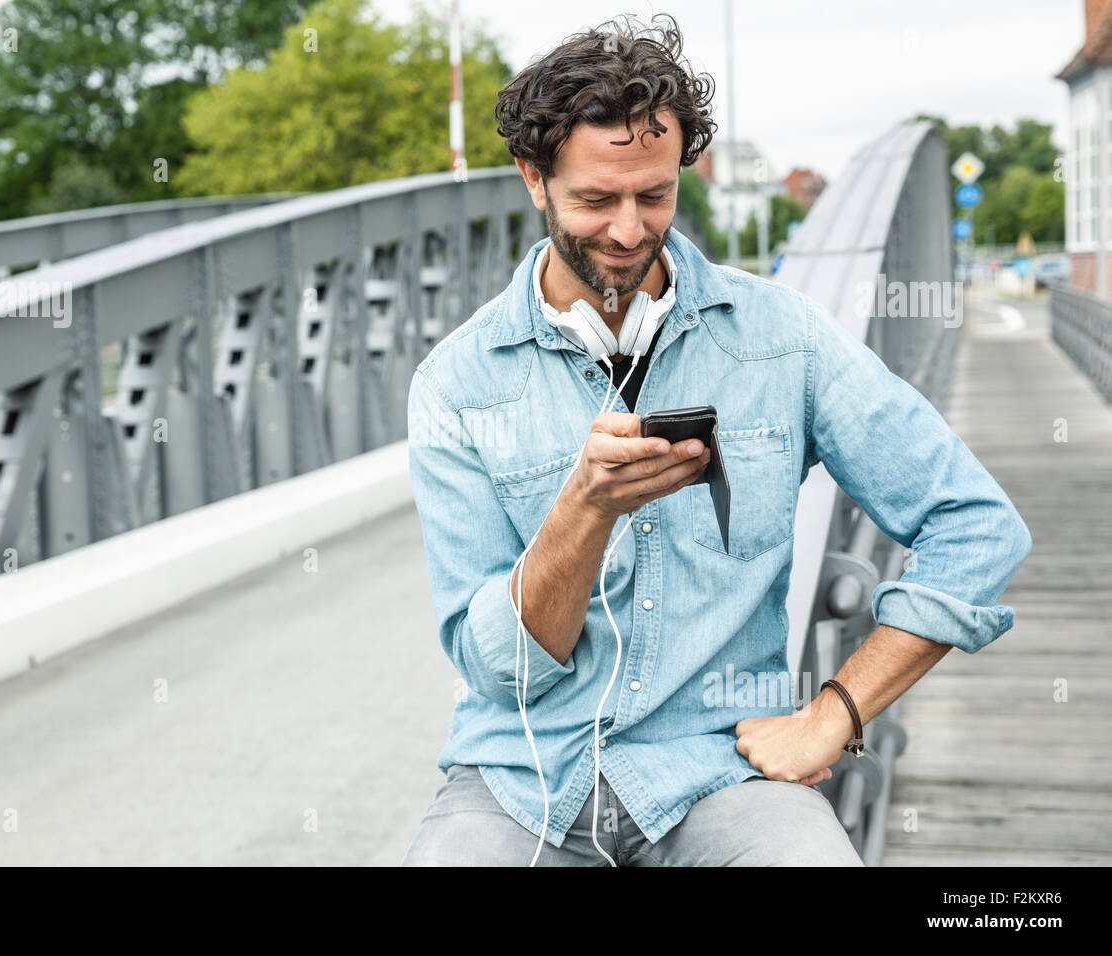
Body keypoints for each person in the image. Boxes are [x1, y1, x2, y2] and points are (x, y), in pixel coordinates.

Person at [402, 13, 1031, 866]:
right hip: (524, 778)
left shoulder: (784, 338)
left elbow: (976, 523)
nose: (628, 230)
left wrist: (834, 713)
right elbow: (502, 673)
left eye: (653, 195)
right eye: (595, 199)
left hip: (721, 771)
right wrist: (582, 512)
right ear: (533, 178)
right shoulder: (457, 382)